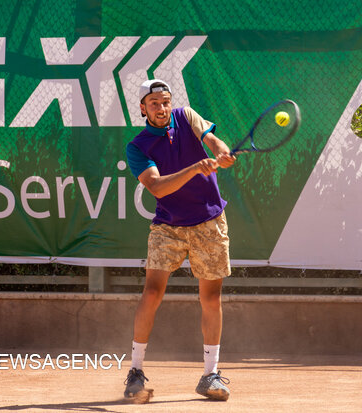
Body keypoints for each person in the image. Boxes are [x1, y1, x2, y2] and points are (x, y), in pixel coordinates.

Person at [123, 79, 235, 403]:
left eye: (165, 101)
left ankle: (210, 375)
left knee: (211, 298)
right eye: (154, 103)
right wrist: (195, 168)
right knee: (153, 292)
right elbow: (157, 187)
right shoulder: (138, 146)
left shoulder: (186, 116)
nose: (162, 108)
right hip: (168, 226)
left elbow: (210, 139)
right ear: (142, 108)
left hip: (210, 221)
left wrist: (221, 151)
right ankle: (136, 371)